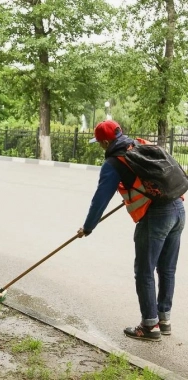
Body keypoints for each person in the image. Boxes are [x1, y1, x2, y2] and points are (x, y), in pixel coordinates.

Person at [77, 120, 185, 342]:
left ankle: (149, 326)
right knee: (167, 269)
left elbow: (100, 199)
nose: (100, 146)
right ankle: (163, 320)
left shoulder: (114, 163)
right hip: (178, 208)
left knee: (145, 271)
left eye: (99, 143)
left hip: (156, 217)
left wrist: (88, 227)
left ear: (106, 141)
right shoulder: (140, 144)